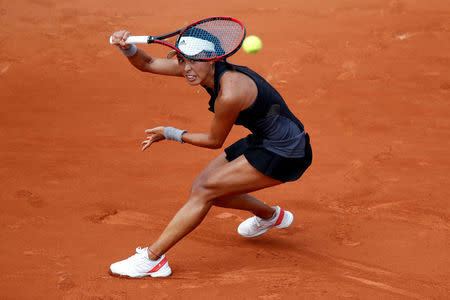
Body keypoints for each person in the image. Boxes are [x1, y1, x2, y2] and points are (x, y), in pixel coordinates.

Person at [108, 29, 312, 278]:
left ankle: (153, 258)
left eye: (193, 60)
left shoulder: (230, 93)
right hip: (265, 139)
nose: (186, 68)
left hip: (286, 151)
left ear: (213, 58)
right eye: (181, 60)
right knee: (202, 188)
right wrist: (127, 47)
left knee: (206, 191)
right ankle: (270, 216)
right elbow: (148, 63)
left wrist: (171, 132)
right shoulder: (202, 71)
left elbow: (214, 141)